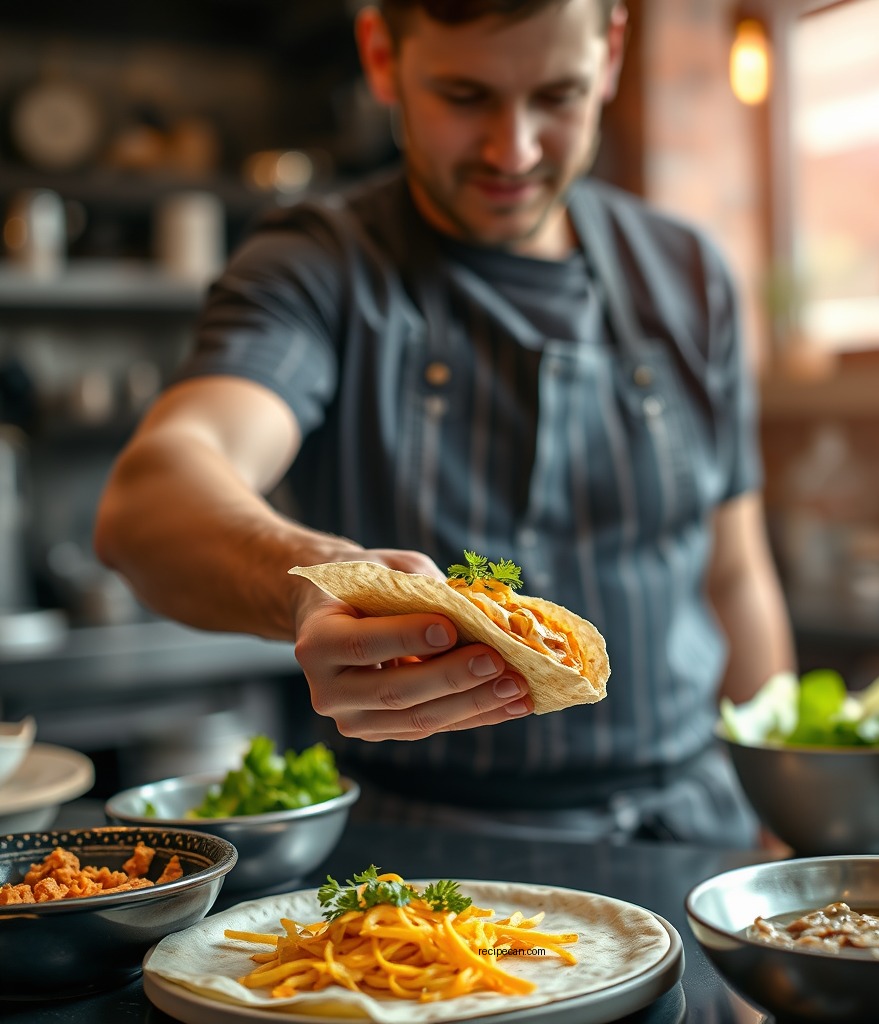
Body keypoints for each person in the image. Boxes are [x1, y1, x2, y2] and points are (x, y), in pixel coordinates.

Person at [94, 0, 794, 847]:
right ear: (382, 56)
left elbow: (735, 574)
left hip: (691, 827)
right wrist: (316, 578)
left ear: (610, 56)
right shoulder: (317, 267)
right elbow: (153, 494)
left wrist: (780, 814)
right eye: (465, 97)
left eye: (558, 96)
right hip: (418, 847)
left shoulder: (688, 274)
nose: (515, 149)